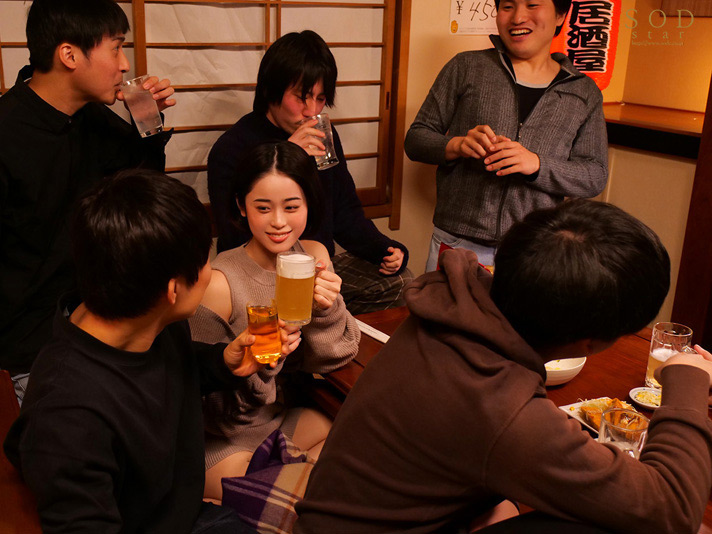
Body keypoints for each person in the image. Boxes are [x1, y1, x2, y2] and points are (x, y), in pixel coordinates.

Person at [295, 200, 712, 533]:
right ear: (592, 342)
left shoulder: (453, 303)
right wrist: (689, 379)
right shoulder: (501, 405)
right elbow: (672, 509)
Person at [4, 169, 293, 533]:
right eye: (205, 260)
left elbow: (166, 369)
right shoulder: (68, 416)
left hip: (186, 513)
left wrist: (223, 362)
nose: (209, 271)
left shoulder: (146, 317)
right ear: (173, 290)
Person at [0, 0, 175, 396]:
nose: (125, 64)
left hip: (92, 335)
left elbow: (142, 202)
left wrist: (149, 122)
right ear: (69, 55)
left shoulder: (94, 121)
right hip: (19, 360)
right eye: (116, 48)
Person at [190, 141, 360, 501]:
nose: (279, 222)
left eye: (292, 207)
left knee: (358, 446)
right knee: (312, 498)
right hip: (225, 440)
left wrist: (327, 310)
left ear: (308, 204)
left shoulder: (312, 255)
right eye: (263, 208)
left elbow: (332, 358)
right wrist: (266, 361)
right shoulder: (220, 283)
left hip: (280, 420)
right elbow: (206, 408)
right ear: (242, 206)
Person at [207, 30, 412, 315]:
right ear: (271, 90)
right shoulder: (232, 148)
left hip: (317, 267)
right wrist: (287, 157)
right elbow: (233, 237)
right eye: (301, 98)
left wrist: (385, 249)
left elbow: (345, 212)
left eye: (320, 98)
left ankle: (328, 323)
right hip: (258, 276)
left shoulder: (323, 136)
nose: (311, 110)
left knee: (403, 283)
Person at [405, 0, 608, 272]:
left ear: (561, 15)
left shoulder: (584, 92)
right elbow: (416, 139)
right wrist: (457, 145)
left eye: (532, 4)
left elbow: (594, 174)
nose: (518, 17)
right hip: (457, 242)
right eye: (508, 6)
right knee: (440, 303)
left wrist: (537, 164)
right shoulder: (467, 66)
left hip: (535, 249)